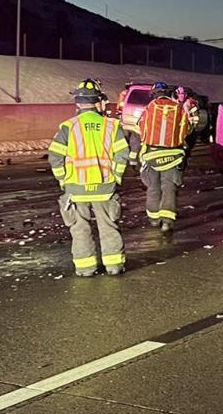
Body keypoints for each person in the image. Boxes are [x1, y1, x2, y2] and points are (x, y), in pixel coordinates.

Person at [49, 79, 131, 277]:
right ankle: (114, 266)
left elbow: (55, 156)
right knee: (109, 227)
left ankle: (86, 268)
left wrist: (63, 180)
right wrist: (116, 177)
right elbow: (123, 154)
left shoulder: (68, 127)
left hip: (76, 188)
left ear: (77, 103)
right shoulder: (111, 126)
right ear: (97, 102)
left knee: (80, 229)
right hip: (104, 188)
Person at [134, 82, 191, 234]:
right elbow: (186, 129)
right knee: (169, 187)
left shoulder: (150, 108)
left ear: (153, 94)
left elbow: (140, 128)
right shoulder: (178, 108)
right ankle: (167, 222)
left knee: (153, 187)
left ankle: (154, 219)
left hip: (151, 154)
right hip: (173, 155)